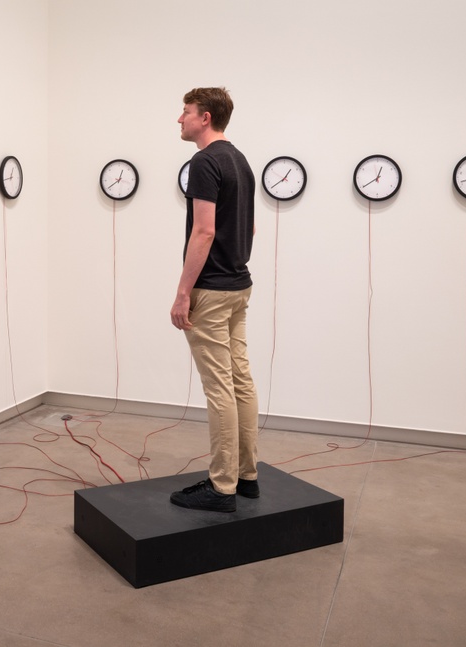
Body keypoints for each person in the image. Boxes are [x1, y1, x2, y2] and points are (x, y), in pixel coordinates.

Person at [170, 87, 259, 513]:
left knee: (220, 388)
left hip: (212, 289)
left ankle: (222, 487)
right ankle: (247, 476)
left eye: (185, 112)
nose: (179, 119)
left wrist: (183, 293)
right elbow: (250, 229)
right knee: (240, 381)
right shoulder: (240, 159)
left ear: (205, 117)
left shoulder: (205, 162)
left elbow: (203, 231)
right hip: (240, 284)